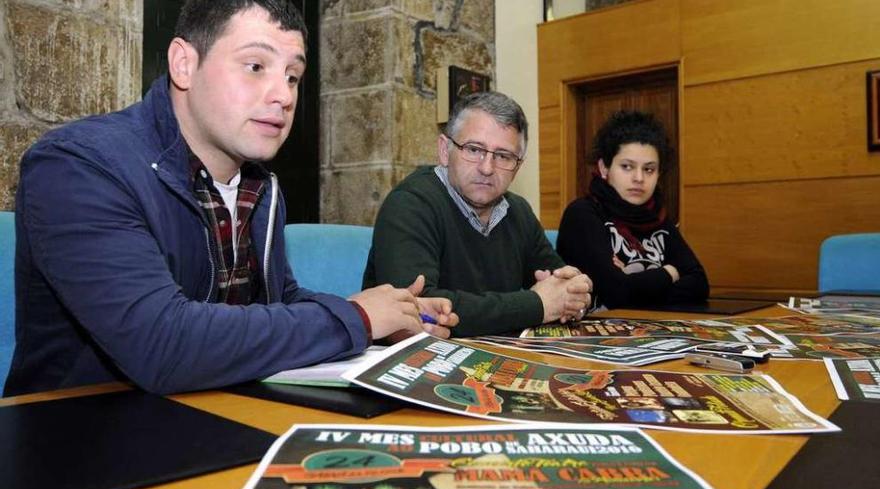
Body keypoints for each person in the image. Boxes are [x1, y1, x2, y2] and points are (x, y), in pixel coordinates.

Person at [5, 0, 456, 397]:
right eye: (256, 66)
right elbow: (160, 344)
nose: (282, 96)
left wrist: (387, 315)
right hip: (76, 437)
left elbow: (278, 299)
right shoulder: (78, 166)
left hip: (214, 412)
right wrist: (354, 319)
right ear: (184, 64)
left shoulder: (262, 187)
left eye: (293, 76)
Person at [362, 91, 592, 337]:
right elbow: (414, 309)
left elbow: (560, 283)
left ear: (517, 167)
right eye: (473, 150)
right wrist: (538, 305)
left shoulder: (519, 212)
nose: (486, 168)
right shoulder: (410, 204)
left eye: (503, 156)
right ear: (444, 150)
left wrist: (573, 293)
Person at [556, 110, 709, 309]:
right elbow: (617, 293)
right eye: (627, 167)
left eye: (649, 169)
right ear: (604, 168)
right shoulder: (583, 215)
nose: (639, 178)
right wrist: (670, 272)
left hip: (650, 329)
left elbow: (699, 284)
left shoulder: (658, 218)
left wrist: (633, 282)